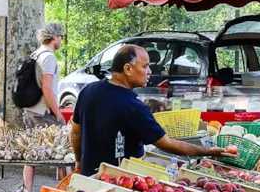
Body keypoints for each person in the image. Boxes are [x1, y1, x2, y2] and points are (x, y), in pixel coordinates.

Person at [70, 45, 237, 176]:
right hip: (119, 180)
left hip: (88, 176)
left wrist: (79, 161)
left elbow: (76, 133)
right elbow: (167, 144)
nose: (149, 71)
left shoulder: (88, 91)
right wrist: (208, 151)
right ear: (128, 69)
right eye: (145, 66)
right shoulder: (133, 106)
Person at [20, 22, 65, 192]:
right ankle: (64, 191)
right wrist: (58, 114)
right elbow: (47, 88)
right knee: (61, 152)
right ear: (54, 37)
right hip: (44, 112)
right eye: (60, 36)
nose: (61, 40)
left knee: (32, 153)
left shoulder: (35, 54)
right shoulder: (49, 57)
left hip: (31, 109)